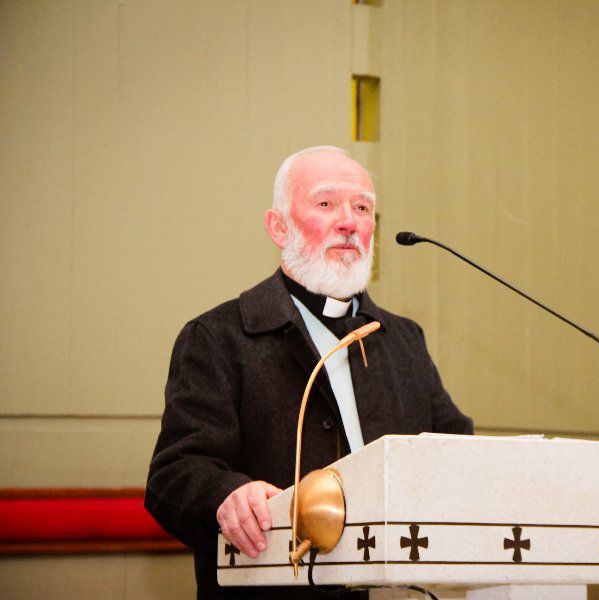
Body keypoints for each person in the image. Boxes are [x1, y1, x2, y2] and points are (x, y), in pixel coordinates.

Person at [146, 146, 473, 599]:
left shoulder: (403, 340)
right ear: (278, 227)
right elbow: (173, 475)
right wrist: (227, 494)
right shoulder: (219, 337)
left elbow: (457, 454)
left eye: (362, 208)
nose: (349, 221)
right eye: (325, 204)